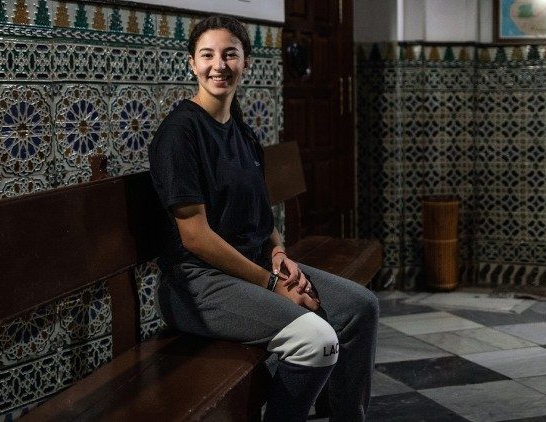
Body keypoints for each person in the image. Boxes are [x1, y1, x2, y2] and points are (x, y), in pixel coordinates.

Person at [148, 15, 379, 422]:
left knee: (361, 307)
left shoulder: (243, 133)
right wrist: (273, 285)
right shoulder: (180, 134)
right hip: (198, 285)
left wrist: (278, 253)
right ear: (191, 63)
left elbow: (262, 212)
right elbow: (195, 238)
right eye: (208, 55)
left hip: (253, 267)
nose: (219, 65)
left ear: (245, 64)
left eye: (230, 55)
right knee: (316, 340)